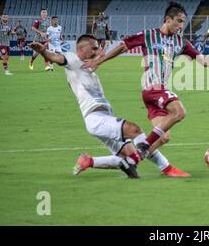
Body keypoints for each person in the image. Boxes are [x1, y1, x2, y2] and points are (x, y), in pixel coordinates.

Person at [82, 2, 209, 177]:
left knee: (163, 137)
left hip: (156, 94)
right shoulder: (148, 35)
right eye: (178, 21)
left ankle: (128, 160)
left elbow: (203, 61)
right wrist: (98, 61)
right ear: (167, 19)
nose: (180, 26)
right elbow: (123, 46)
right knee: (179, 112)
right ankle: (144, 146)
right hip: (153, 88)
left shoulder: (181, 42)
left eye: (183, 22)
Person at [30, 35, 142, 178]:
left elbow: (92, 62)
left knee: (131, 158)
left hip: (104, 118)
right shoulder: (71, 59)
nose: (96, 51)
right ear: (81, 48)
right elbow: (57, 58)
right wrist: (44, 52)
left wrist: (98, 59)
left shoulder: (88, 68)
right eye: (93, 48)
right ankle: (165, 165)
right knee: (134, 131)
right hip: (95, 117)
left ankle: (89, 161)